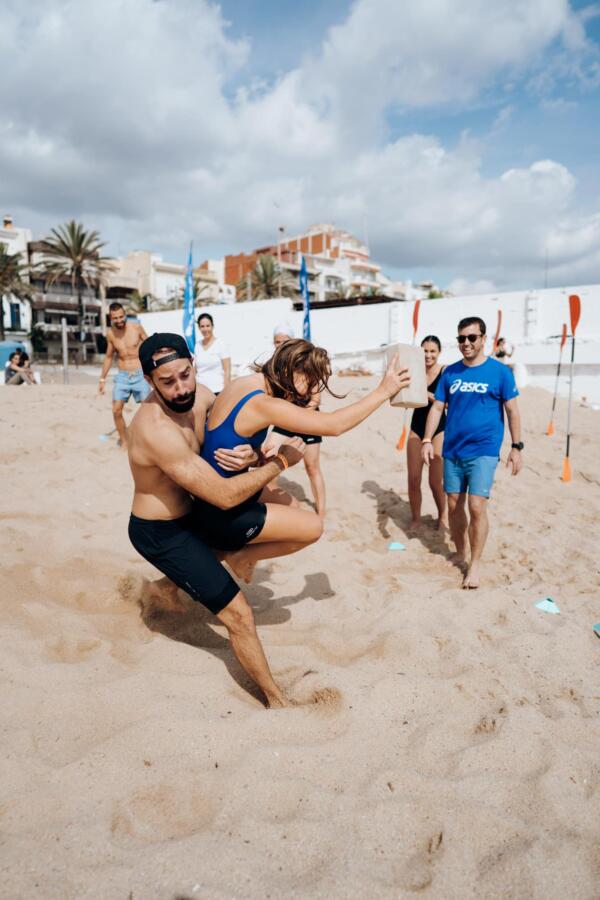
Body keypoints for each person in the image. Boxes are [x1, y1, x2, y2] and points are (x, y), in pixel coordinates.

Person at [128, 332, 308, 708]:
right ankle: (277, 701)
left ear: (193, 365)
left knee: (288, 518)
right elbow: (224, 494)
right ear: (148, 380)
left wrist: (251, 456)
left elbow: (233, 444)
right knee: (239, 614)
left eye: (185, 375)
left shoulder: (205, 395)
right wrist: (281, 462)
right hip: (160, 531)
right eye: (166, 382)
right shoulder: (153, 427)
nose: (180, 389)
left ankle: (164, 588)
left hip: (196, 513)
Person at [196, 338, 410, 561]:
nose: (307, 393)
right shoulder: (265, 404)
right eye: (308, 383)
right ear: (289, 368)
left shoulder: (245, 383)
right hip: (222, 512)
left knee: (292, 504)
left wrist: (253, 457)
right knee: (313, 528)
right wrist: (383, 391)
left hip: (211, 493)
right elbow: (333, 425)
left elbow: (225, 439)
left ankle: (221, 556)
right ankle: (236, 557)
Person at [422, 316, 523, 589]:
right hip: (453, 449)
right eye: (461, 338)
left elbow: (512, 411)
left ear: (483, 339)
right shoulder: (451, 373)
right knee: (454, 505)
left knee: (476, 506)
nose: (466, 343)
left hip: (484, 450)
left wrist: (516, 447)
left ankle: (474, 565)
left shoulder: (500, 372)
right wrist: (427, 439)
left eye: (471, 338)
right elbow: (435, 408)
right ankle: (459, 550)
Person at [268, 324, 327, 518]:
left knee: (312, 467)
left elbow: (315, 400)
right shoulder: (274, 368)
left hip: (307, 418)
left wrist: (298, 416)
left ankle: (322, 512)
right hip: (286, 418)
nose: (280, 345)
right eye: (277, 342)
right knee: (271, 460)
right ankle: (271, 502)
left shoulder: (307, 363)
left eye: (284, 341)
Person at [406, 335, 447, 530]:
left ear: (439, 353)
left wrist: (428, 395)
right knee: (413, 478)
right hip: (417, 425)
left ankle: (443, 516)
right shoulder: (416, 371)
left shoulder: (445, 372)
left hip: (439, 428)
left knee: (435, 482)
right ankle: (416, 519)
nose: (428, 355)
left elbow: (448, 404)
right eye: (425, 351)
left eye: (432, 351)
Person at [98, 302, 150, 448]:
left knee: (147, 410)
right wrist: (102, 379)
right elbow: (109, 357)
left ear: (125, 314)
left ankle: (146, 440)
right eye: (116, 318)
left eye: (122, 317)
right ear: (111, 318)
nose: (119, 320)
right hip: (122, 376)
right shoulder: (110, 334)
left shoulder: (136, 327)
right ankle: (125, 442)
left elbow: (150, 345)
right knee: (116, 410)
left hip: (140, 374)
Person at [194, 312, 231, 395]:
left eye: (208, 326)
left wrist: (226, 392)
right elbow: (195, 371)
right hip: (201, 393)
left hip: (218, 391)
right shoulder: (197, 345)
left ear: (212, 326)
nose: (205, 329)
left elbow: (227, 371)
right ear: (199, 328)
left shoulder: (220, 344)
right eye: (202, 326)